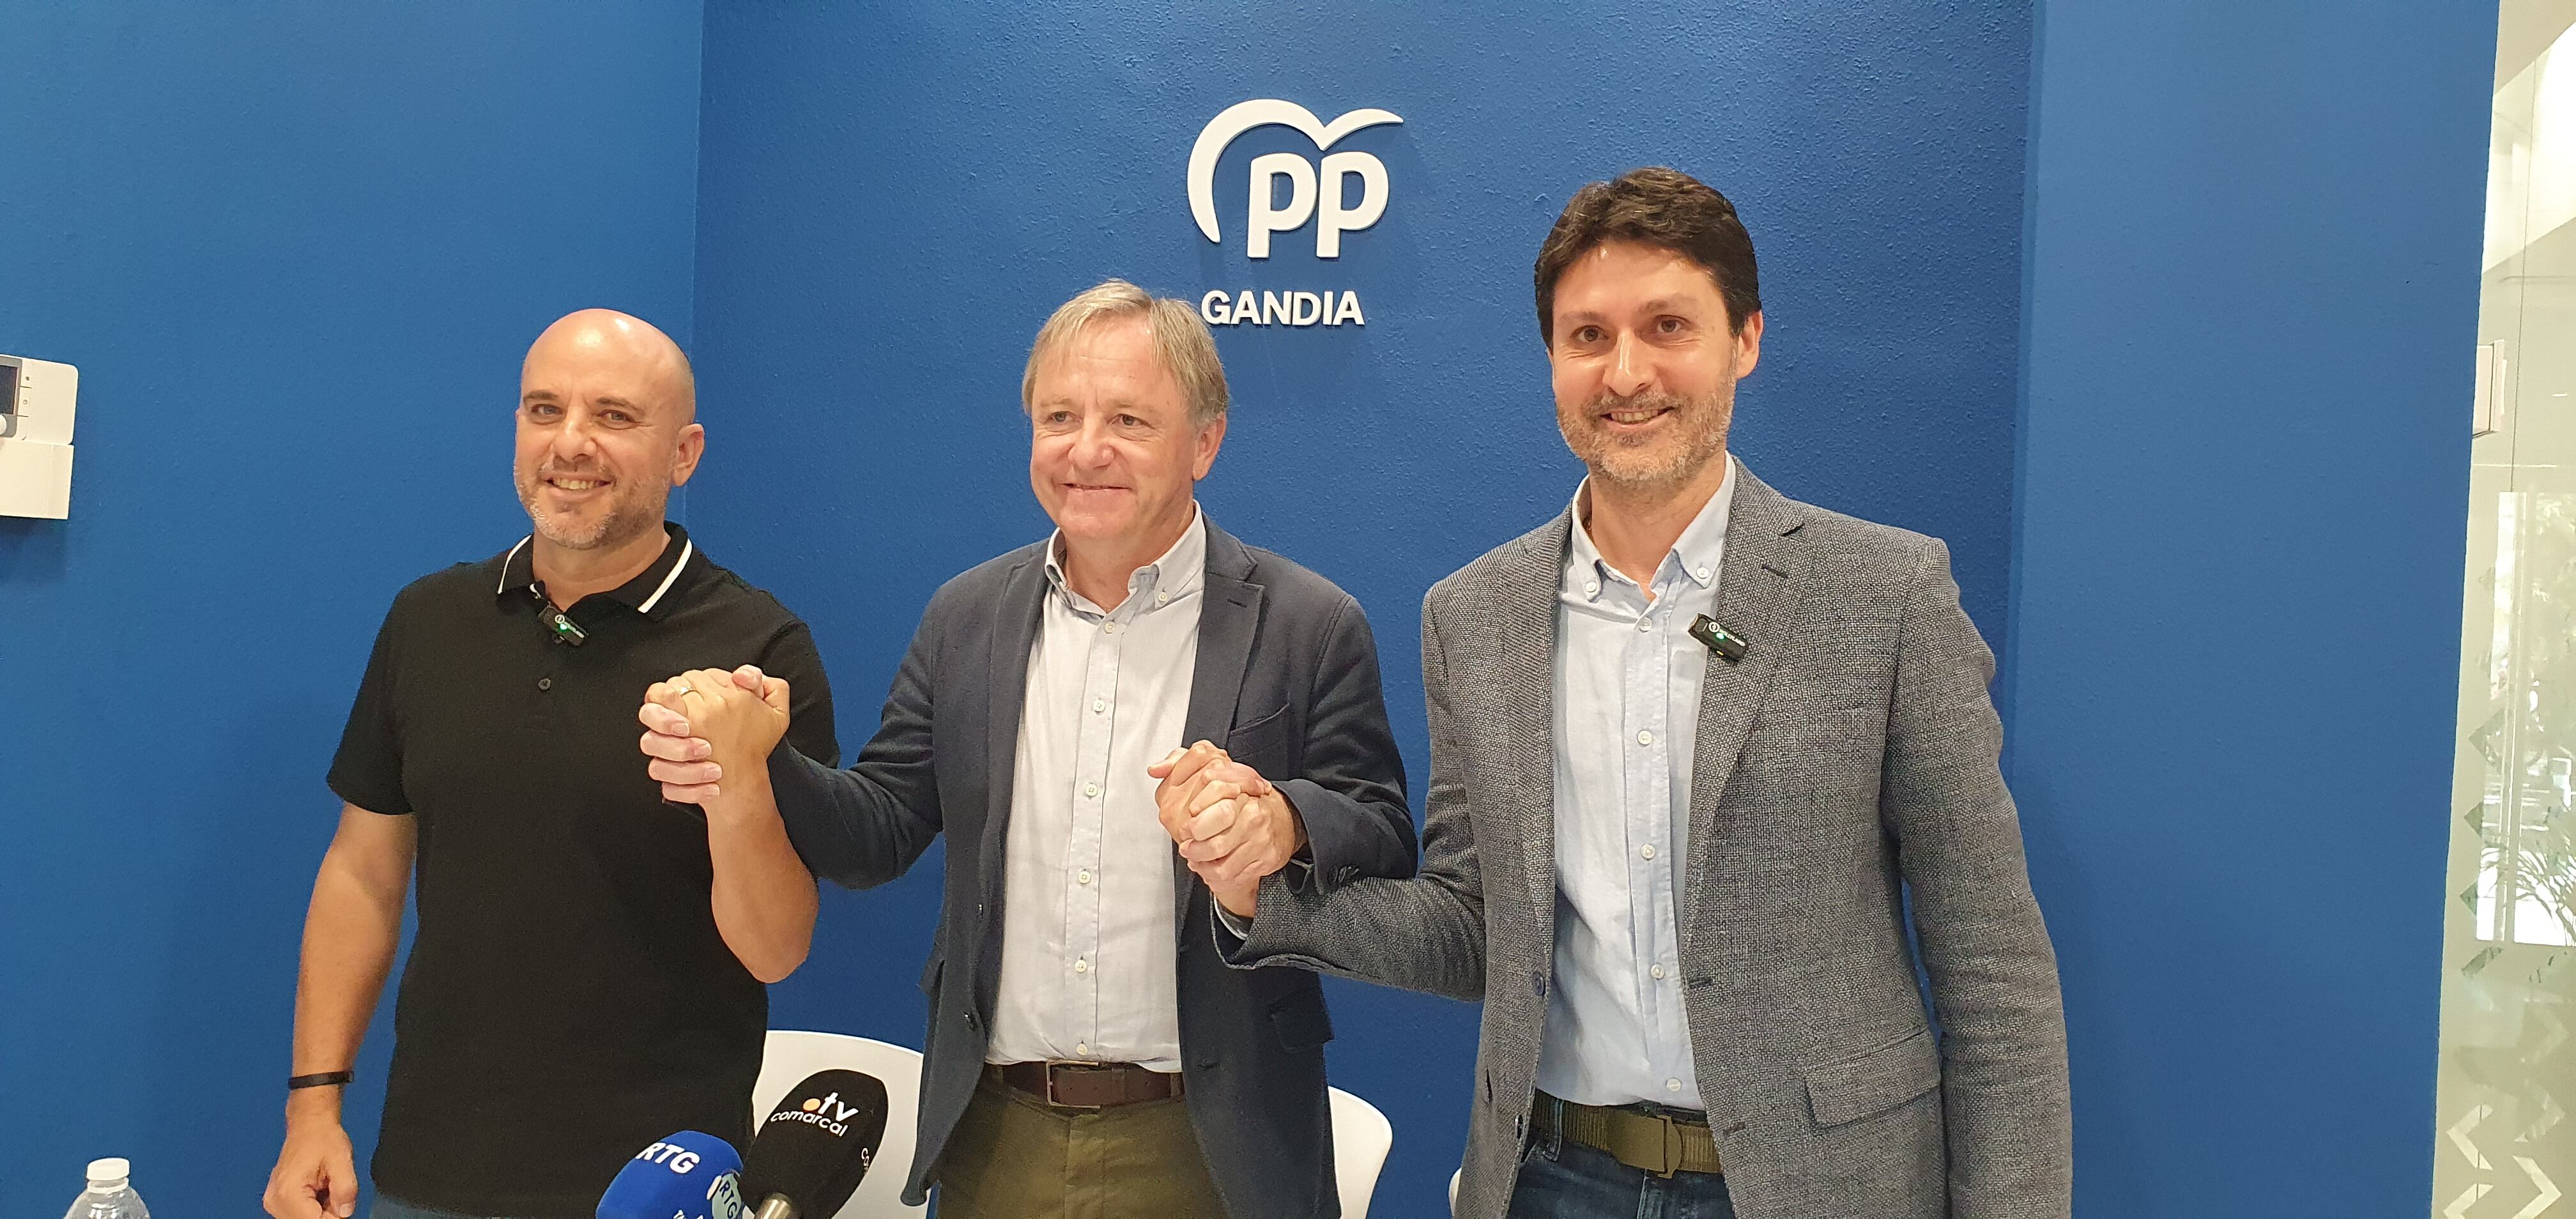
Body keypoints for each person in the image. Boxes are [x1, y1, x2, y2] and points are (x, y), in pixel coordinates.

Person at [1164, 169, 2071, 1219]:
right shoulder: (1475, 615)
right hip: (1553, 1178)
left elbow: (1995, 979)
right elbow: (1474, 929)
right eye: (1588, 336)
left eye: (1668, 326)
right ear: (1552, 358)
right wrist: (1260, 886)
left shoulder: (1884, 595)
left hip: (1824, 1188)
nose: (1626, 372)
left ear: (1746, 341)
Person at [637, 280, 1415, 1219]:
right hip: (996, 1136)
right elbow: (878, 831)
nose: (1087, 450)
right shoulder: (968, 616)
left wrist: (1283, 820)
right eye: (1059, 416)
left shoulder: (1307, 623)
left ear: (1204, 443)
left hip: (1214, 1142)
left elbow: (1383, 835)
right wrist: (765, 758)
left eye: (1129, 419)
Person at [261, 310, 839, 1219]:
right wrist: (314, 1106)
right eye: (544, 410)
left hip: (657, 1180)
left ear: (684, 453)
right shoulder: (429, 621)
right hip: (431, 1166)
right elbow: (363, 875)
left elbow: (776, 949)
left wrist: (736, 788)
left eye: (614, 416)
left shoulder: (756, 650)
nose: (570, 444)